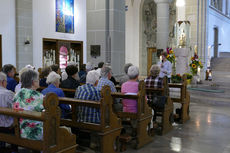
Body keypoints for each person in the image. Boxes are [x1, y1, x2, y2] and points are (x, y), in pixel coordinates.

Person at [12, 70, 44, 140]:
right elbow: (45, 111)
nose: (39, 81)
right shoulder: (38, 96)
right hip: (34, 130)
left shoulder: (17, 93)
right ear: (33, 82)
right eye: (38, 79)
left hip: (20, 129)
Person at [0, 72, 17, 151]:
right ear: (3, 82)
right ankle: (14, 150)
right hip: (6, 126)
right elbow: (16, 109)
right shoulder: (9, 93)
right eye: (6, 82)